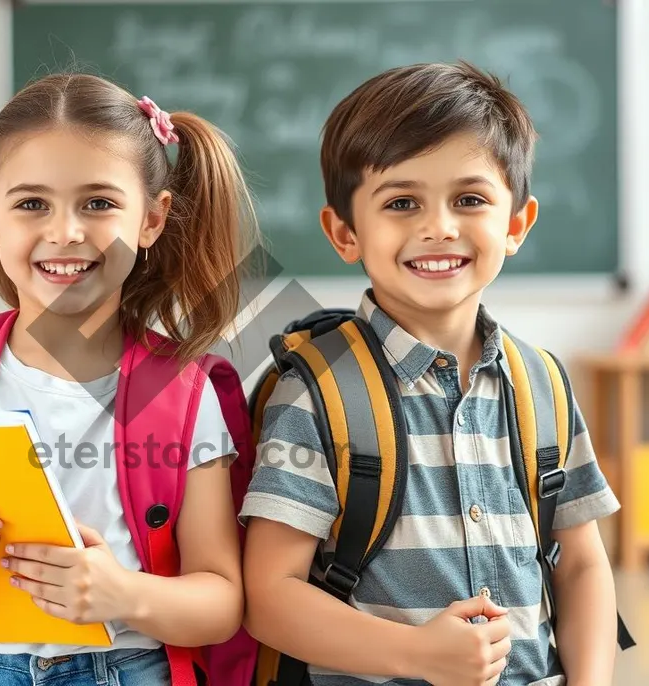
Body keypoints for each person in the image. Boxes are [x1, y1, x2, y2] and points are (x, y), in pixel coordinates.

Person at [0, 72, 262, 685]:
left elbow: (221, 602)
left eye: (99, 203)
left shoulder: (181, 391)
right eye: (32, 203)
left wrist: (123, 595)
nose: (65, 231)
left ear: (152, 219)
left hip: (125, 667)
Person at [240, 61, 624, 686]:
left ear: (516, 224)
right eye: (401, 202)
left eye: (469, 199)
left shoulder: (543, 384)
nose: (438, 226)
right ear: (345, 232)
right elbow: (269, 596)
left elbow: (580, 565)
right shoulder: (317, 391)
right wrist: (416, 655)